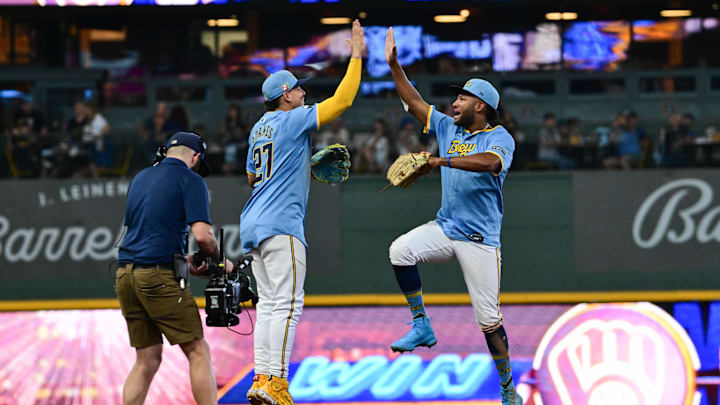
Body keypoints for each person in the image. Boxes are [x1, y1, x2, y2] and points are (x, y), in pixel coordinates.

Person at [384, 27, 523, 405]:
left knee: (489, 322)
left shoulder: (499, 137)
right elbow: (414, 102)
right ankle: (421, 325)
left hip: (479, 240)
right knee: (400, 251)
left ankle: (508, 388)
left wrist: (441, 160)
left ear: (481, 105)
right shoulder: (447, 126)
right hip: (446, 228)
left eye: (463, 96)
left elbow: (490, 163)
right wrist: (394, 65)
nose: (455, 102)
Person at [241, 19, 365, 405]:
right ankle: (276, 383)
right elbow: (342, 101)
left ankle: (262, 378)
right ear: (285, 96)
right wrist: (357, 56)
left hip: (253, 222)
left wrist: (299, 165)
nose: (302, 91)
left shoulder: (259, 126)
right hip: (281, 224)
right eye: (296, 88)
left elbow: (251, 176)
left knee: (269, 307)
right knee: (288, 306)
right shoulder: (293, 118)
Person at [116, 132, 233, 405]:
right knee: (197, 351)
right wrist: (217, 259)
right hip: (157, 276)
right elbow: (203, 236)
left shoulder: (141, 178)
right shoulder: (190, 180)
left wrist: (186, 259)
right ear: (195, 157)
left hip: (126, 274)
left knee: (147, 358)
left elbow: (151, 233)